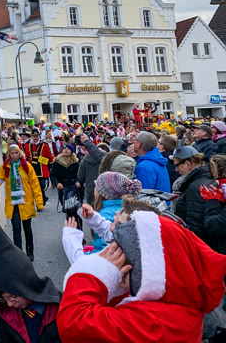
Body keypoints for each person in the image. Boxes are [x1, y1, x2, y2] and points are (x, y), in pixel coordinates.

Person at [58, 207, 226, 343]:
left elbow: (74, 324)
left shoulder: (158, 321)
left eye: (123, 253)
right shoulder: (175, 303)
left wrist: (93, 273)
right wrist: (119, 287)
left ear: (147, 266)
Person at [0, 213, 62, 343]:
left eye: (12, 297)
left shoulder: (60, 307)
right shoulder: (5, 317)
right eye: (3, 299)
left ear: (25, 285)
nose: (9, 304)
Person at [0, 144, 44, 261]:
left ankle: (30, 253)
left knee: (27, 228)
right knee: (16, 228)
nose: (14, 155)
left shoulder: (27, 167)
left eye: (16, 153)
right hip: (13, 204)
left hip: (26, 203)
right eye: (12, 153)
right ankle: (19, 254)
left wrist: (39, 203)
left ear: (20, 153)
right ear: (9, 154)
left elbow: (35, 185)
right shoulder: (5, 168)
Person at [89, 172, 142, 251]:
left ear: (103, 192)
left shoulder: (104, 215)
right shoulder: (124, 209)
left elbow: (107, 249)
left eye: (96, 186)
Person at [171, 146, 214, 243]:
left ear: (188, 164)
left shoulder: (194, 187)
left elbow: (195, 225)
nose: (176, 170)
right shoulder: (208, 177)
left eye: (177, 166)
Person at [50, 144, 81, 226]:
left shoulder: (76, 163)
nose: (66, 150)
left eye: (68, 149)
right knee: (68, 211)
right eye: (64, 148)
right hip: (63, 188)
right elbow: (52, 175)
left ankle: (78, 229)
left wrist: (79, 182)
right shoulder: (57, 162)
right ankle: (70, 229)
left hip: (74, 188)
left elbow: (81, 175)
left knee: (76, 211)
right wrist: (57, 183)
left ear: (72, 151)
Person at [77, 133, 106, 205]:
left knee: (92, 207)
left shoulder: (85, 160)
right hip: (104, 188)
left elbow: (80, 177)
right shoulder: (107, 160)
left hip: (90, 188)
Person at [28, 130, 54, 202]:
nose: (35, 138)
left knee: (41, 187)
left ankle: (42, 200)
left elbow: (50, 159)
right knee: (34, 187)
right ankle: (40, 200)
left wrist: (40, 159)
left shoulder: (44, 145)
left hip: (42, 170)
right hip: (32, 170)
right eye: (34, 136)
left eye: (36, 136)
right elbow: (27, 157)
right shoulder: (29, 146)